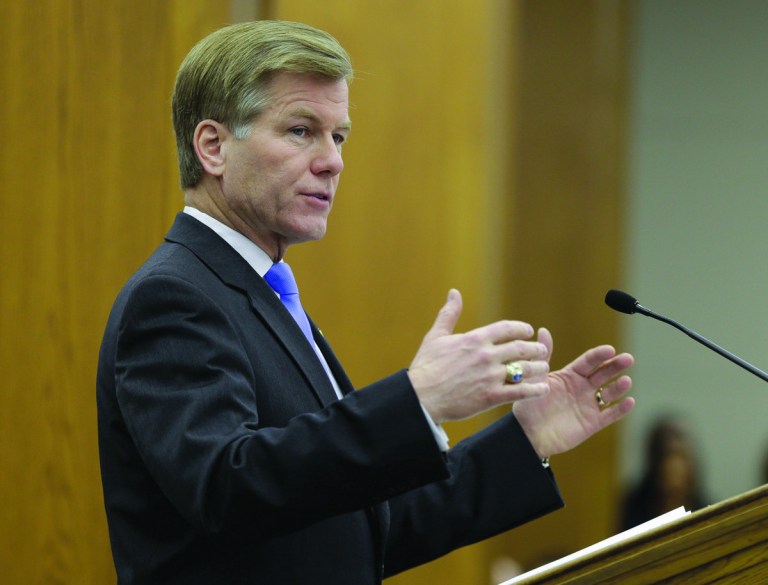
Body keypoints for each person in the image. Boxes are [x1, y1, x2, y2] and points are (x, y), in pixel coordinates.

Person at [97, 20, 635, 585]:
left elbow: (362, 528)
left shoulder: (265, 295)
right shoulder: (175, 297)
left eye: (340, 136)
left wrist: (525, 442)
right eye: (302, 131)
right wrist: (417, 398)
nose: (333, 161)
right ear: (213, 147)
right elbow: (229, 488)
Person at [619, 416, 707, 531]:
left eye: (682, 456)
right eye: (668, 455)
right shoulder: (630, 509)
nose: (676, 466)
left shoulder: (705, 511)